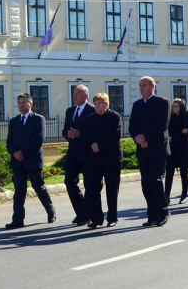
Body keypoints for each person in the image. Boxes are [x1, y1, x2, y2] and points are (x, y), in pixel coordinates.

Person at [5, 93, 56, 229]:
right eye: (20, 103)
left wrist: (23, 152)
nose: (22, 105)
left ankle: (50, 211)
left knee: (39, 188)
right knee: (19, 191)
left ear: (31, 104)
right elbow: (9, 142)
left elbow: (38, 139)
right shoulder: (14, 121)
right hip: (18, 162)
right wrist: (15, 153)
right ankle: (17, 220)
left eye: (24, 102)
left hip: (32, 160)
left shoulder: (38, 119)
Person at [128, 76, 171, 227]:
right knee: (146, 183)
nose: (141, 88)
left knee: (155, 180)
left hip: (158, 148)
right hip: (142, 149)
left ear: (152, 86)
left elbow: (162, 125)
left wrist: (145, 137)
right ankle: (151, 215)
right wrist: (137, 138)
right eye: (140, 85)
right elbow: (132, 125)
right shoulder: (137, 104)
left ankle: (163, 211)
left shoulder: (162, 102)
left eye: (144, 85)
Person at [82, 93, 123, 228]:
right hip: (95, 159)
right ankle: (96, 218)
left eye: (100, 103)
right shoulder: (90, 118)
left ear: (107, 104)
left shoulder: (114, 117)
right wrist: (91, 144)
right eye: (96, 104)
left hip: (111, 158)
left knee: (111, 189)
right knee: (93, 188)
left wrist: (99, 145)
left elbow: (115, 135)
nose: (97, 106)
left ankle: (112, 217)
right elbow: (86, 135)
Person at [61, 85, 94, 226]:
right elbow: (65, 129)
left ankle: (87, 214)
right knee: (69, 182)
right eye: (74, 93)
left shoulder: (92, 110)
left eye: (78, 94)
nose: (75, 96)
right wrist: (68, 135)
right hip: (73, 153)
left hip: (87, 154)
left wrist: (79, 134)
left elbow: (94, 132)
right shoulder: (70, 111)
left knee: (89, 185)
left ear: (86, 96)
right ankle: (81, 211)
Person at [165, 98, 188, 204]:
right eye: (173, 106)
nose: (174, 108)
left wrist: (187, 130)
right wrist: (168, 137)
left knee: (184, 172)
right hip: (172, 147)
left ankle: (184, 195)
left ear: (182, 107)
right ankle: (166, 195)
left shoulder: (186, 117)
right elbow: (166, 129)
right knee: (169, 172)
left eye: (176, 106)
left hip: (183, 147)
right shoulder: (170, 118)